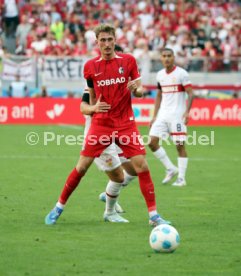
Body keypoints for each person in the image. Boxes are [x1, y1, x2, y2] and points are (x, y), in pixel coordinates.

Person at [45, 24, 171, 226]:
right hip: (101, 124)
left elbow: (140, 91)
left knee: (142, 166)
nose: (106, 44)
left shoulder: (128, 61)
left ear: (115, 40)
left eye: (109, 39)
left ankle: (153, 216)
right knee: (82, 166)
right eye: (102, 40)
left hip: (125, 123)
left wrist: (135, 89)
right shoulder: (90, 67)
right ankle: (58, 207)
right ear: (97, 42)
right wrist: (94, 108)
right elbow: (88, 101)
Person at [81, 86, 136, 214]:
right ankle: (110, 212)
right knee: (117, 176)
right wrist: (95, 108)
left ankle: (108, 195)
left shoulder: (117, 80)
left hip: (117, 132)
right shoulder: (93, 82)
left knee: (133, 170)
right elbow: (84, 108)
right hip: (99, 135)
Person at [148, 48, 194, 187]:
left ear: (173, 57)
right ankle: (170, 168)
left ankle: (181, 178)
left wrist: (187, 112)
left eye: (169, 56)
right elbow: (159, 95)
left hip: (177, 116)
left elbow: (191, 93)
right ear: (161, 58)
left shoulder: (181, 73)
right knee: (152, 142)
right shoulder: (160, 75)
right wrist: (154, 116)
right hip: (163, 114)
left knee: (179, 146)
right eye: (164, 56)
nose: (167, 58)